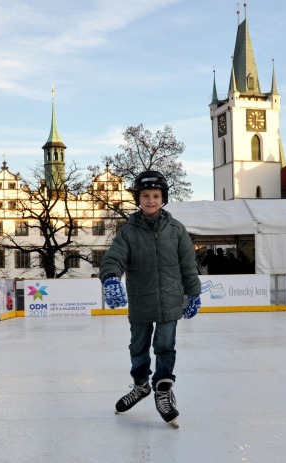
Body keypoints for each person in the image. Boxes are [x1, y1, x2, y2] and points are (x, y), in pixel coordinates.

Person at [99, 170, 201, 428]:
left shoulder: (177, 230)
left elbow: (188, 266)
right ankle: (141, 385)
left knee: (165, 347)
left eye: (156, 195)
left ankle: (163, 390)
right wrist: (110, 277)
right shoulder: (128, 232)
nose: (151, 200)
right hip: (141, 301)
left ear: (163, 198)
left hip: (170, 301)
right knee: (138, 348)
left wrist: (193, 293)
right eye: (146, 195)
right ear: (138, 199)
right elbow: (114, 258)